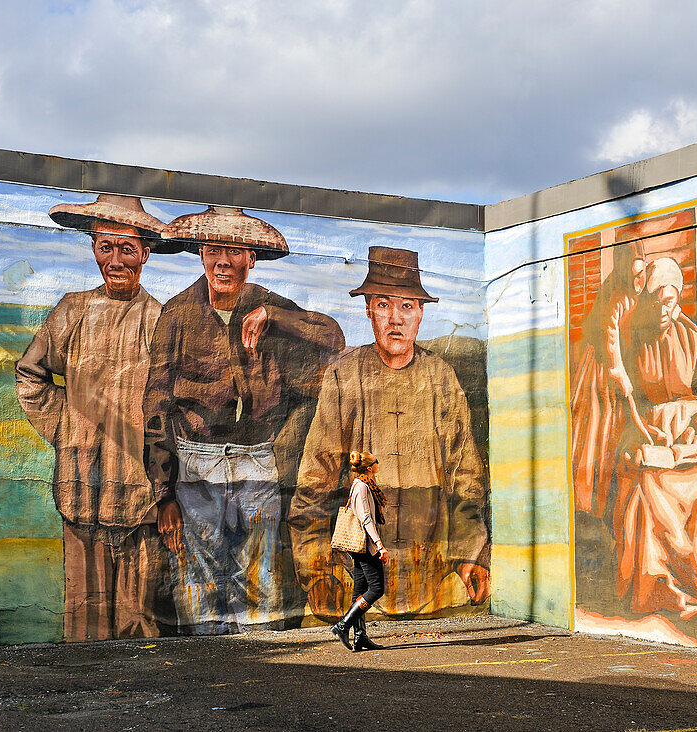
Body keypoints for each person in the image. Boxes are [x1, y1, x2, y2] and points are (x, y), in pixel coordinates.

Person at [144, 206, 344, 633]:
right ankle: (205, 678)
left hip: (258, 460)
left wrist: (276, 318)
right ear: (200, 253)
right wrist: (164, 495)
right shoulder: (176, 314)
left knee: (260, 582)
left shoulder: (271, 305)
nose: (223, 262)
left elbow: (333, 337)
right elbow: (157, 407)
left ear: (251, 258)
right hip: (197, 464)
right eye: (214, 249)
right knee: (199, 584)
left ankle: (263, 676)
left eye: (235, 251)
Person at [289, 246, 489, 620]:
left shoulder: (441, 378)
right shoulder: (344, 376)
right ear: (368, 309)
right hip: (353, 577)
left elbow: (467, 478)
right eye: (383, 304)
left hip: (432, 577)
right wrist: (317, 572)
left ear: (420, 314)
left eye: (407, 307)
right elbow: (313, 481)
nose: (395, 319)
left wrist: (469, 556)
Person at [16, 194, 180, 641]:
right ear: (92, 248)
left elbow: (172, 413)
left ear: (145, 253)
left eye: (127, 248)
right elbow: (30, 377)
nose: (116, 260)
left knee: (140, 624)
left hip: (142, 501)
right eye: (105, 246)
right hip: (80, 493)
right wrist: (65, 428)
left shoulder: (161, 320)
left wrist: (167, 493)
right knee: (83, 629)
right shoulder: (71, 311)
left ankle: (141, 710)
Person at [613, 257, 697, 636]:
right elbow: (629, 400)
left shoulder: (689, 333)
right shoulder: (633, 338)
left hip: (691, 434)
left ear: (677, 299)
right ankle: (662, 587)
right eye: (656, 300)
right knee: (648, 486)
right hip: (650, 430)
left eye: (670, 301)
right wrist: (648, 433)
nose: (663, 308)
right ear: (647, 300)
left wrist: (695, 429)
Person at [569, 241, 647, 518]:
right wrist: (622, 377)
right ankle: (590, 502)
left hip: (615, 366)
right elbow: (610, 341)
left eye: (643, 274)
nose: (639, 281)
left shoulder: (635, 296)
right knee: (597, 430)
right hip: (600, 371)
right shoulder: (618, 297)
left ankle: (604, 501)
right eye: (634, 275)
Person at [331, 451, 388, 651]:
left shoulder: (363, 485)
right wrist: (379, 545)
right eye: (376, 461)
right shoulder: (362, 487)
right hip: (365, 546)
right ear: (370, 467)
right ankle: (343, 625)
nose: (378, 464)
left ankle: (360, 636)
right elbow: (366, 519)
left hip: (361, 546)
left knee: (360, 590)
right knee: (376, 588)